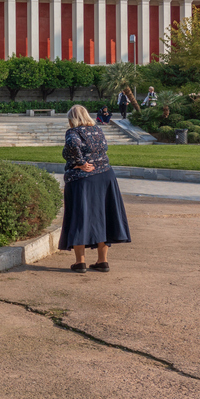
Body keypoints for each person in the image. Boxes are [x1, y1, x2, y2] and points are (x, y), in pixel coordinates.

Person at [59, 104, 131, 273]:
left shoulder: (73, 132)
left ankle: (80, 262)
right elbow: (104, 148)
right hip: (105, 176)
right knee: (103, 216)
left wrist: (80, 163)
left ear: (72, 119)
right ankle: (102, 261)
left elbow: (72, 144)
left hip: (83, 179)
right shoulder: (98, 130)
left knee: (80, 216)